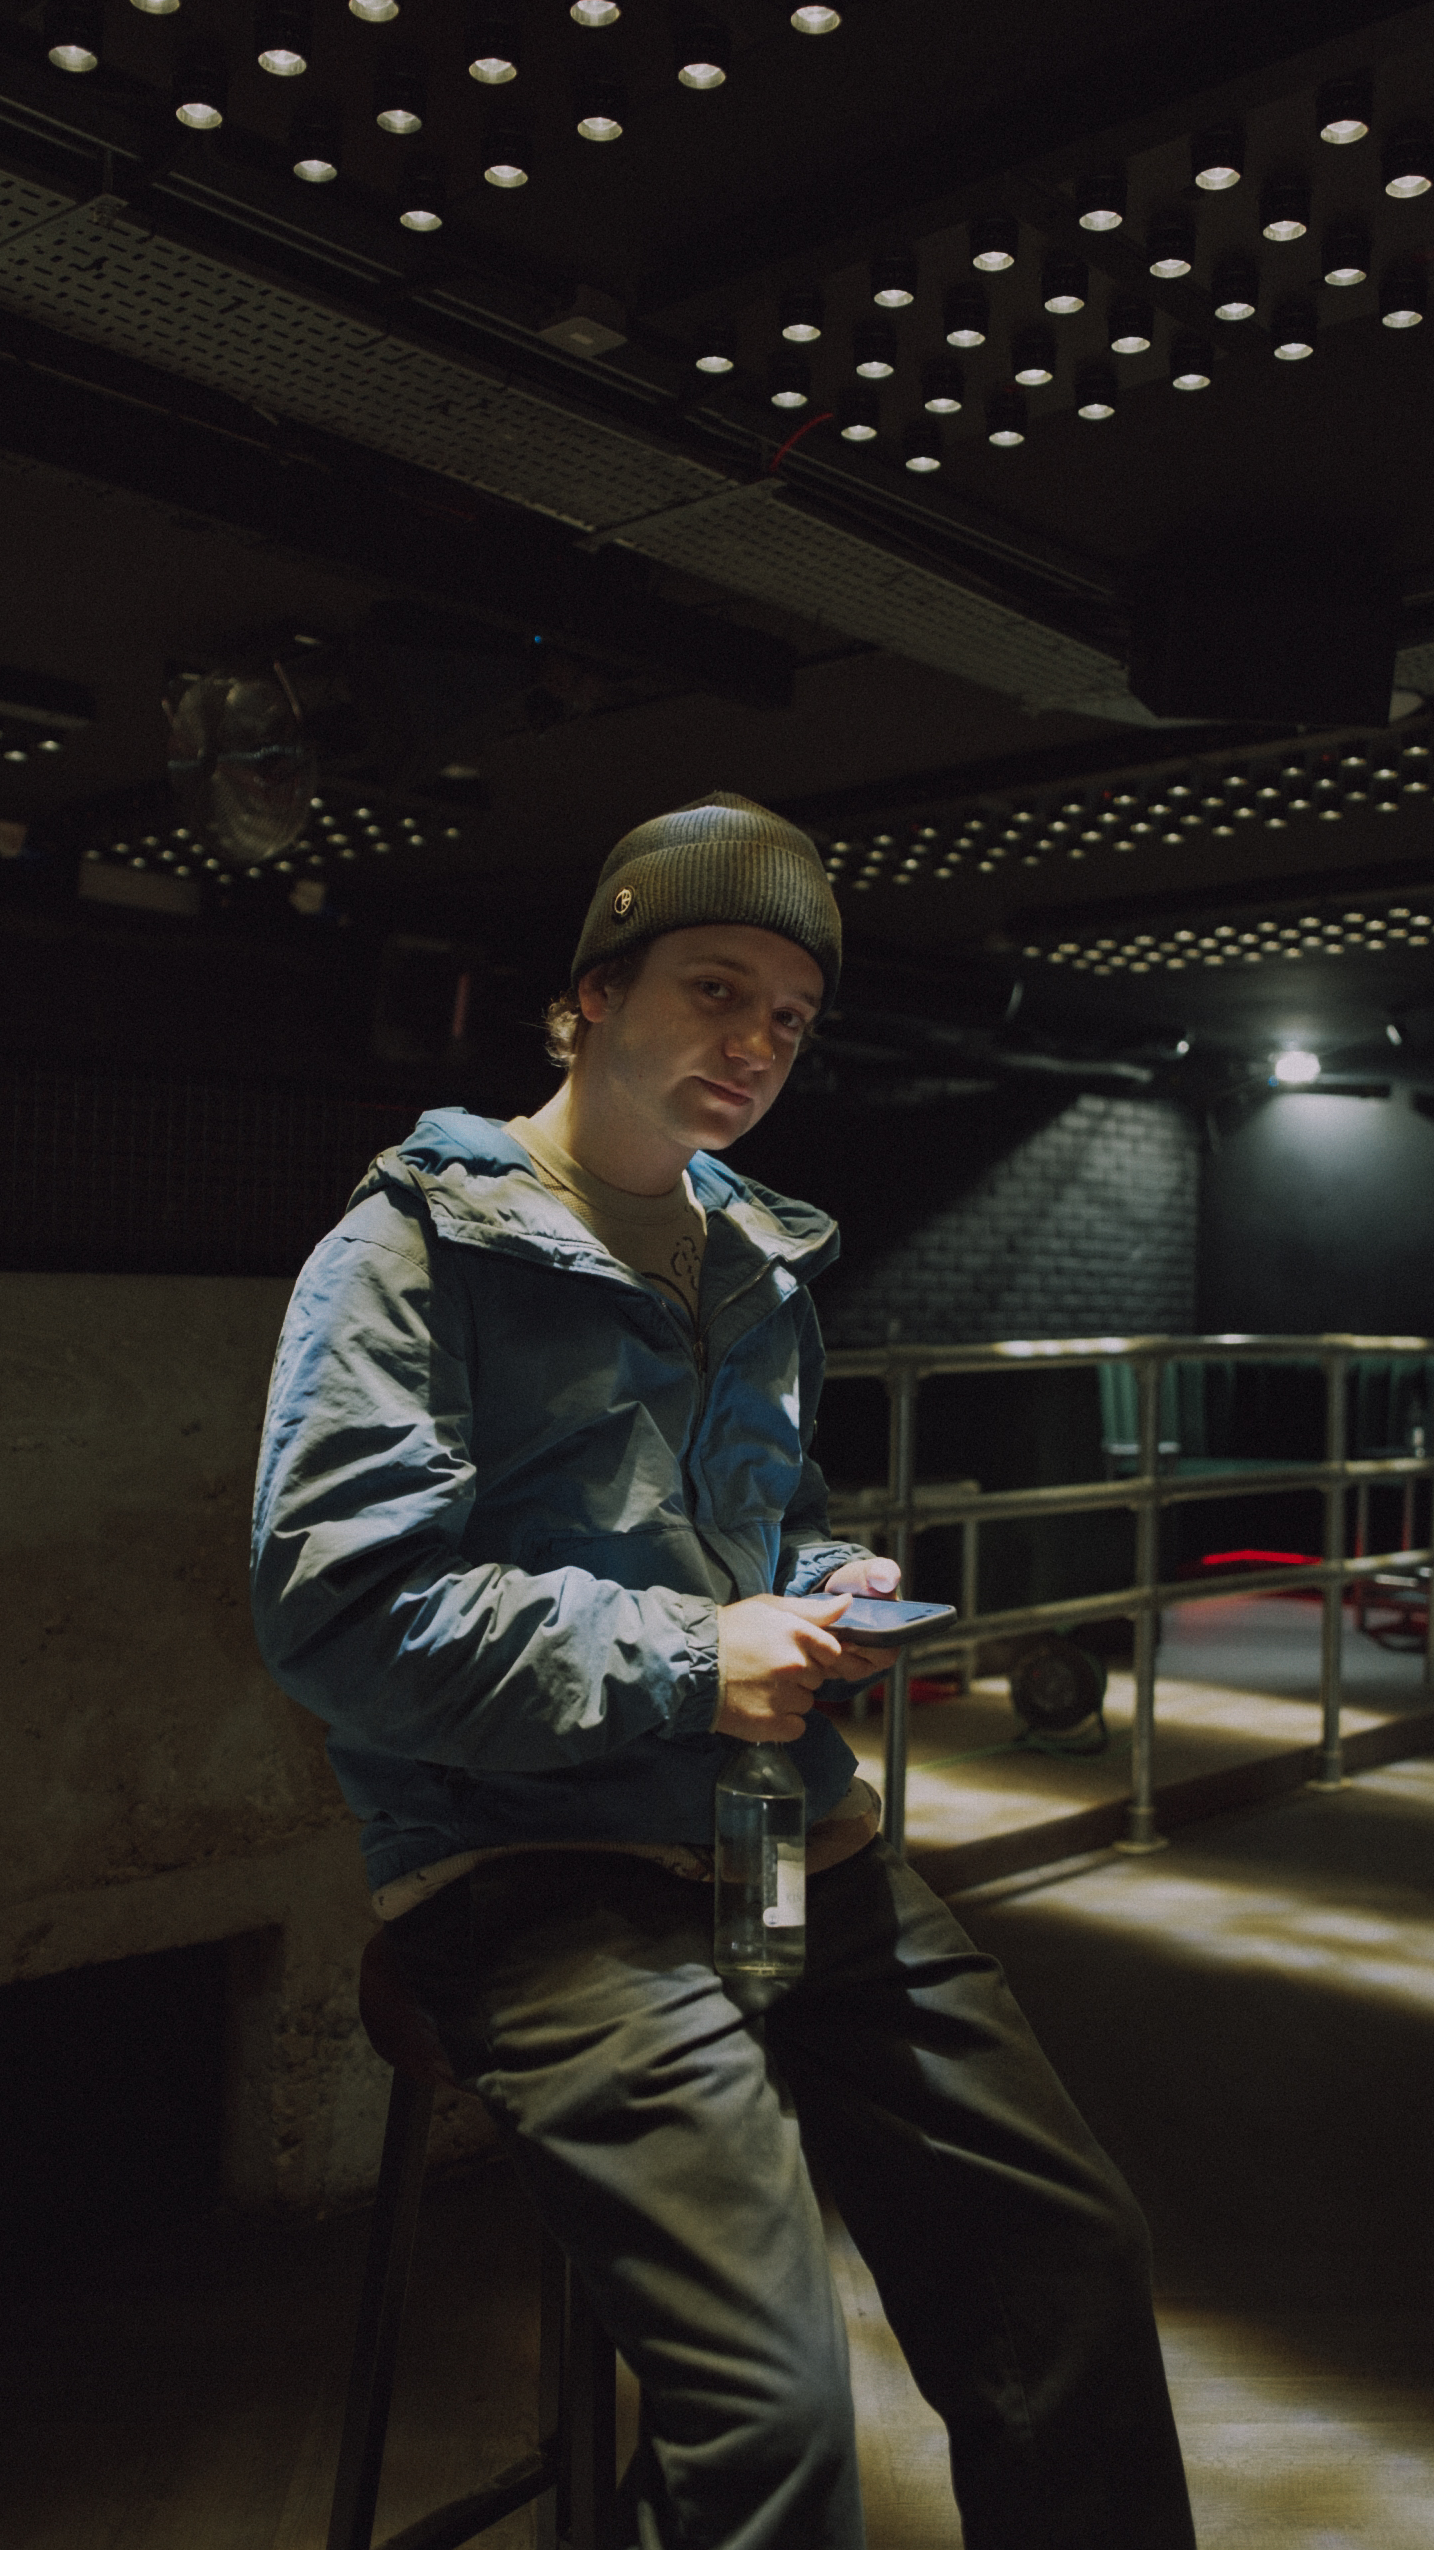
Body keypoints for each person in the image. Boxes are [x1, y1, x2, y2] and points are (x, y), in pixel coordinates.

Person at [251, 789, 1195, 2550]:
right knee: (774, 2407)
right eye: (713, 988)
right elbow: (343, 1612)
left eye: (788, 1016)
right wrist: (696, 1657)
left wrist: (823, 1586)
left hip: (779, 1839)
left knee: (1068, 2261)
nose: (754, 1041)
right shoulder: (411, 1249)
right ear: (589, 996)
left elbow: (762, 1519)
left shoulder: (752, 1256)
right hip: (537, 1868)